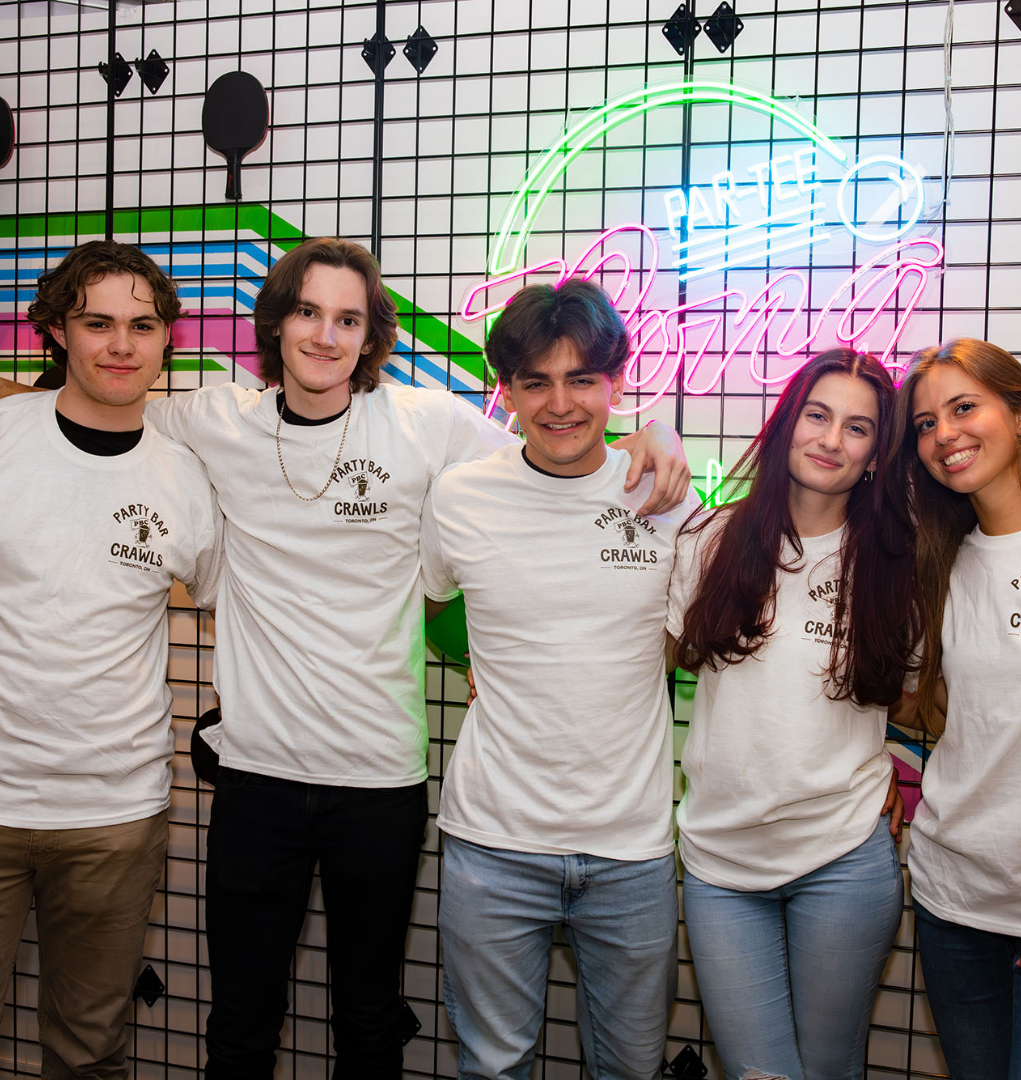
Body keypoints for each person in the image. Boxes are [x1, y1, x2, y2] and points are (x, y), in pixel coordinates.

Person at [0, 236, 689, 1078]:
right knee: (240, 1028)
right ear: (277, 325)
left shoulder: (426, 426)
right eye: (308, 312)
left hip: (379, 782)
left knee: (369, 1023)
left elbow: (556, 441)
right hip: (255, 779)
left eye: (348, 318)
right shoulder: (214, 418)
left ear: (372, 336)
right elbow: (95, 402)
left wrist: (652, 428)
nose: (326, 335)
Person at [419, 278, 700, 1080]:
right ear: (505, 389)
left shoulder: (666, 497)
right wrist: (487, 663)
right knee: (493, 1066)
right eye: (535, 381)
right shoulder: (462, 495)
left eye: (582, 378)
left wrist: (666, 429)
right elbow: (438, 605)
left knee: (630, 1069)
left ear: (616, 380)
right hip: (493, 844)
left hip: (632, 849)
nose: (560, 403)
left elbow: (685, 643)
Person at [0, 241, 222, 1079]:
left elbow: (227, 599)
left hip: (115, 813)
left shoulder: (186, 478)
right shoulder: (5, 437)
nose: (121, 345)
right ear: (58, 331)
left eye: (142, 324)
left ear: (168, 337)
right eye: (98, 323)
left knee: (91, 1053)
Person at [668, 349, 916, 1080]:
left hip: (843, 857)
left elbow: (931, 695)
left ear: (876, 455)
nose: (831, 439)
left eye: (858, 427)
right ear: (787, 425)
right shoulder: (709, 539)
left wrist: (897, 766)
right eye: (817, 415)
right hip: (721, 862)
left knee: (831, 1068)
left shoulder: (897, 564)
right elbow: (637, 662)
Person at [894, 338, 1021, 1079]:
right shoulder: (940, 561)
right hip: (951, 903)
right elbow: (935, 716)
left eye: (964, 407)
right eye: (925, 424)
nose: (945, 434)